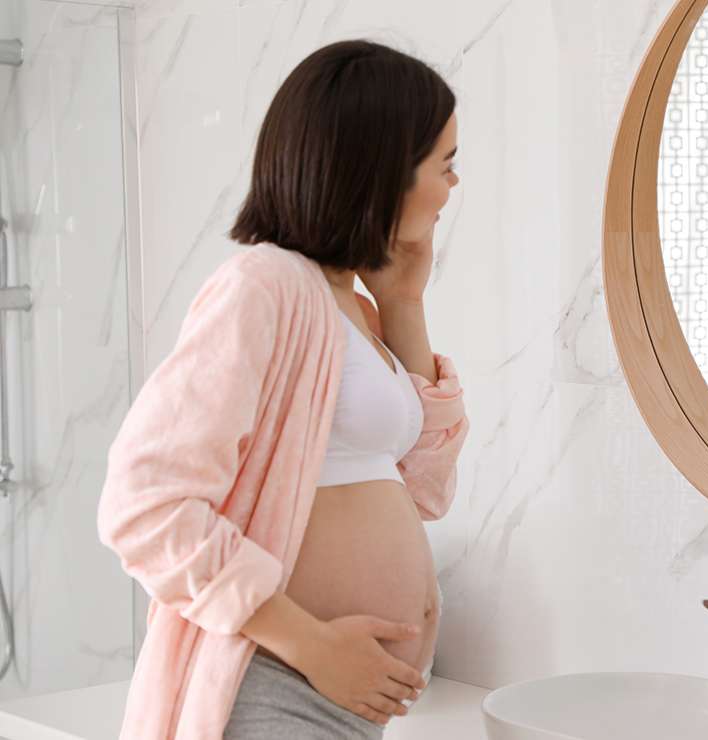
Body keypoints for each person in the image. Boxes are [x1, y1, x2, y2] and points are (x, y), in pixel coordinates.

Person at [96, 40, 468, 739]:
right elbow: (144, 502)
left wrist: (403, 305)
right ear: (381, 167)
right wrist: (313, 646)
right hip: (275, 685)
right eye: (444, 164)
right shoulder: (265, 286)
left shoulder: (352, 308)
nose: (453, 186)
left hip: (342, 704)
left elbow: (425, 491)